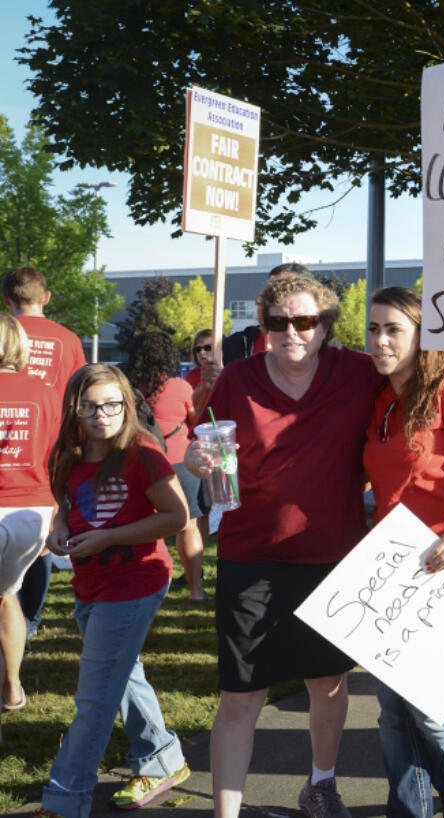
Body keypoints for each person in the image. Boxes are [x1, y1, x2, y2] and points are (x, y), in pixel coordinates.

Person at [185, 273, 384, 818]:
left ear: (324, 325)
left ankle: (321, 784)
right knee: (241, 693)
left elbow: (422, 380)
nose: (291, 332)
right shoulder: (238, 379)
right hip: (252, 556)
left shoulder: (357, 372)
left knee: (327, 682)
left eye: (304, 321)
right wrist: (196, 462)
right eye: (278, 322)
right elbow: (202, 446)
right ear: (264, 325)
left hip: (331, 555)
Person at [37, 364, 191, 817]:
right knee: (121, 674)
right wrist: (58, 528)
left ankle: (65, 801)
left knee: (94, 700)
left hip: (135, 582)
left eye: (111, 404)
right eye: (89, 406)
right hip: (90, 583)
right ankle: (162, 758)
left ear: (126, 404)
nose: (101, 414)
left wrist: (109, 537)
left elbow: (176, 515)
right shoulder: (69, 453)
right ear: (74, 409)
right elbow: (65, 504)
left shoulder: (142, 453)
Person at [362, 286, 444, 818]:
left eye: (394, 329)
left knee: (430, 707)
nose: (380, 340)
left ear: (423, 335)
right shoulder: (380, 398)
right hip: (388, 564)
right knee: (392, 711)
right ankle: (409, 809)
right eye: (373, 329)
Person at [4, 266, 87, 646]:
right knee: (40, 540)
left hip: (14, 445)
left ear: (7, 300)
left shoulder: (4, 335)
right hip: (53, 446)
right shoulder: (68, 339)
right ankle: (31, 617)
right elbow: (81, 393)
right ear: (47, 297)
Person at [0, 315, 59, 714]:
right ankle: (13, 686)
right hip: (33, 512)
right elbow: (60, 458)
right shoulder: (46, 392)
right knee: (6, 595)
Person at [124, 331, 208, 601]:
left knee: (138, 528)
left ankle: (140, 588)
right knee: (189, 526)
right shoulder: (179, 386)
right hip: (180, 463)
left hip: (138, 465)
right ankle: (196, 590)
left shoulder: (125, 387)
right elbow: (197, 420)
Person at [220, 262, 308, 363]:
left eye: (287, 287)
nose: (277, 293)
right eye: (271, 288)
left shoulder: (322, 349)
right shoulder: (237, 343)